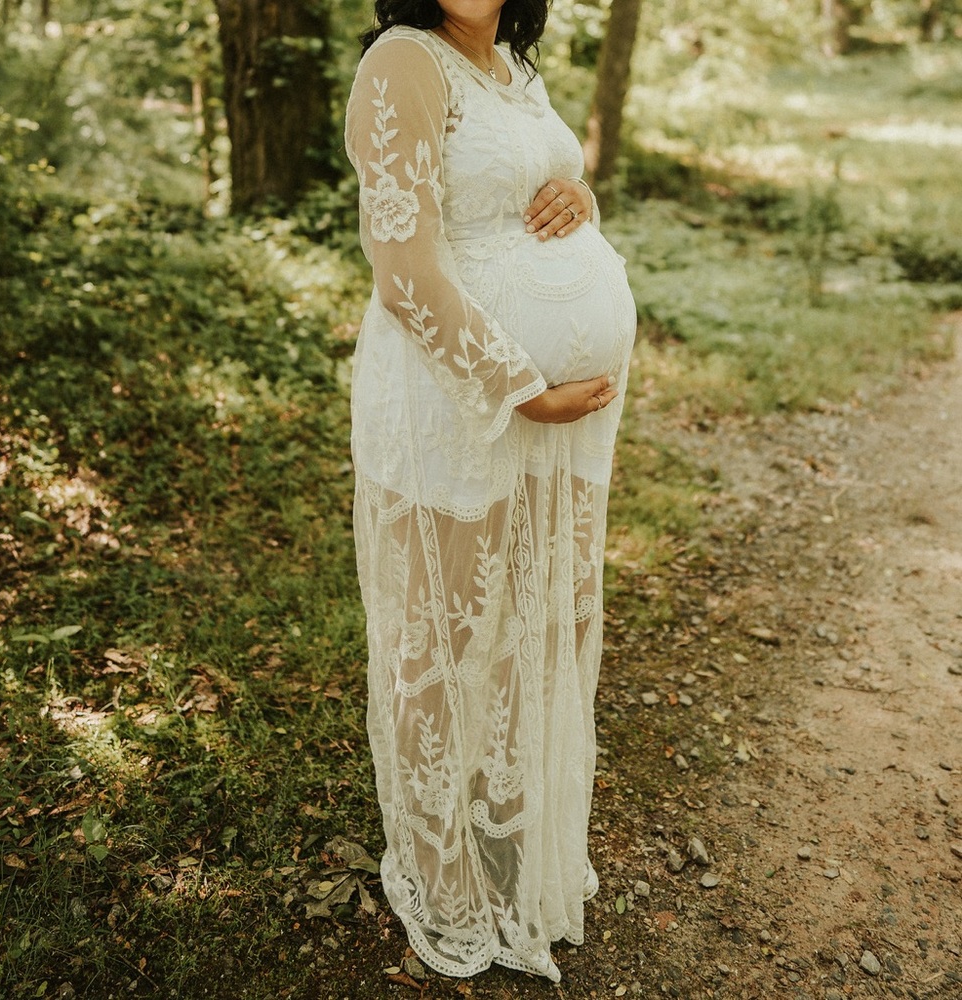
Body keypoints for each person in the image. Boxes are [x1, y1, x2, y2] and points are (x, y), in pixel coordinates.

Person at [344, 0, 636, 982]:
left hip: (552, 425)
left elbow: (518, 200)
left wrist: (578, 206)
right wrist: (520, 389)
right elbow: (405, 269)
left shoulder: (513, 64)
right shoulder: (402, 61)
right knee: (443, 637)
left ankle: (506, 837)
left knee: (527, 626)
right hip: (450, 404)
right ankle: (444, 874)